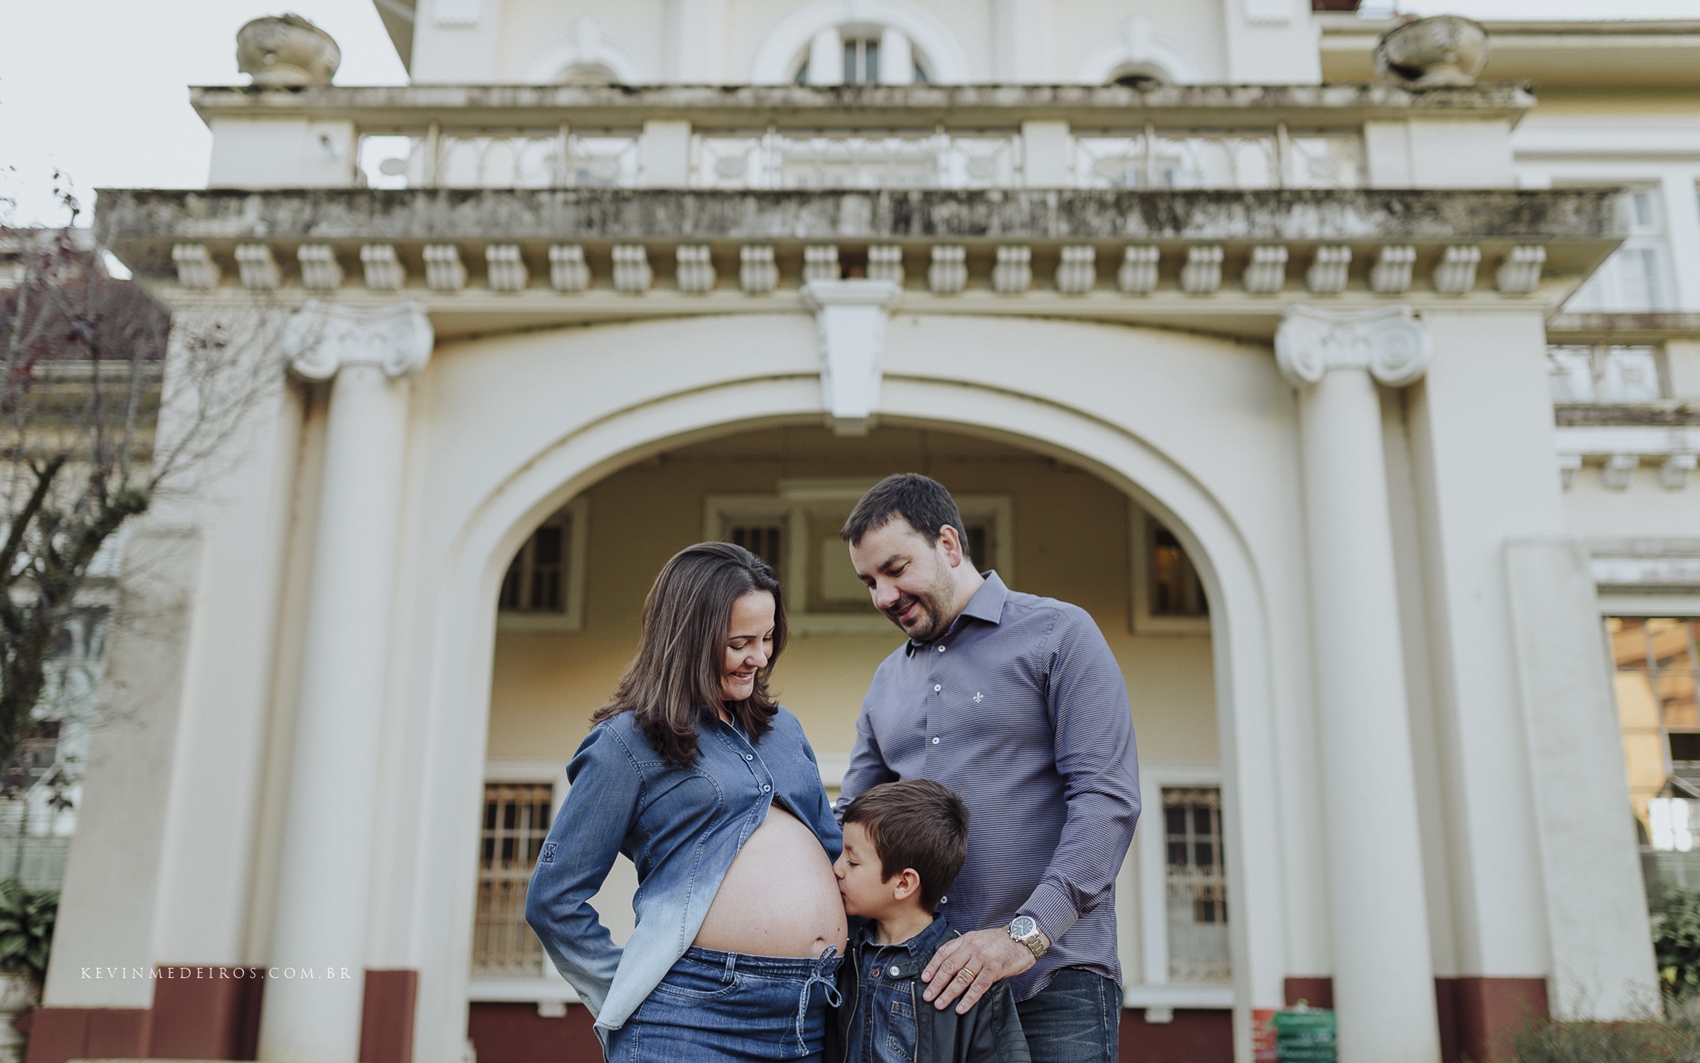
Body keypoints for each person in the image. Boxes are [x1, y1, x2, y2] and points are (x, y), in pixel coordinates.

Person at [837, 474, 1141, 1063]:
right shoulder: (885, 683)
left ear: (948, 545)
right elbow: (854, 823)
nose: (882, 596)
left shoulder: (1059, 635)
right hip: (923, 988)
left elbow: (1107, 802)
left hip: (1055, 979)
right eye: (869, 582)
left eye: (895, 569)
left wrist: (1021, 939)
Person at [526, 542, 848, 1061]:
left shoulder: (784, 731)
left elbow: (833, 856)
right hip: (689, 1021)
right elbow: (553, 900)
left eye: (767, 639)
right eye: (740, 642)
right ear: (688, 640)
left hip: (809, 1015)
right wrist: (630, 993)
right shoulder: (624, 745)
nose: (759, 658)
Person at [827, 779, 1030, 1063]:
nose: (836, 868)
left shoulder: (971, 973)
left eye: (852, 861)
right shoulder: (845, 959)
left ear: (904, 883)